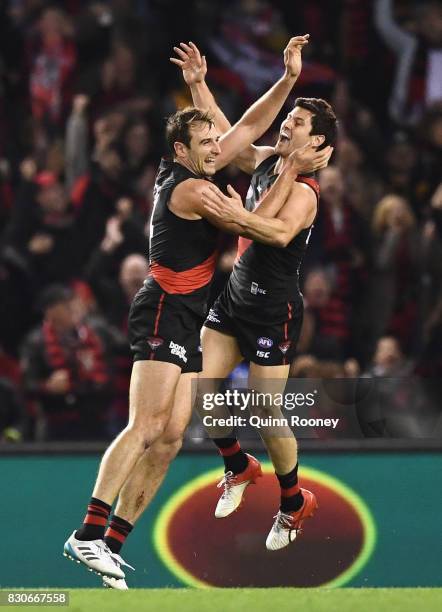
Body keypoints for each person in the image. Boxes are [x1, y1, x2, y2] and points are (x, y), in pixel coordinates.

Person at [63, 36, 332, 587]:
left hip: (221, 309)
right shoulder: (196, 191)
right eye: (209, 139)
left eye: (217, 137)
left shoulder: (217, 167)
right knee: (147, 425)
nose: (220, 142)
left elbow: (244, 130)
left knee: (171, 435)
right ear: (183, 150)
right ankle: (87, 533)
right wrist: (287, 167)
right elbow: (261, 230)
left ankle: (114, 543)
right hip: (166, 308)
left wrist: (277, 82)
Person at [171, 42, 337, 551]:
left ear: (318, 143)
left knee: (267, 411)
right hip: (236, 295)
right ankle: (237, 465)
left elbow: (274, 232)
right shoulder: (269, 159)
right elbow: (230, 139)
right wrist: (199, 85)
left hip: (272, 308)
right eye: (288, 117)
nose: (286, 125)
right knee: (203, 386)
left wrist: (226, 209)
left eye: (298, 125)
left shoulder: (305, 190)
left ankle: (292, 502)